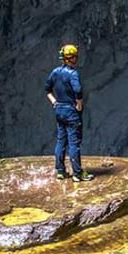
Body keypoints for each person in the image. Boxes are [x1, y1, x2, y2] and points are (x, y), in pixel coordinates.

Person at [46, 44, 93, 181]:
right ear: (71, 58)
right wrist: (79, 103)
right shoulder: (73, 74)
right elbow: (77, 90)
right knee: (74, 143)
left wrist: (54, 102)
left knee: (61, 140)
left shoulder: (55, 72)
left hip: (59, 109)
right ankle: (77, 174)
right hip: (71, 110)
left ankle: (60, 171)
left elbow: (47, 89)